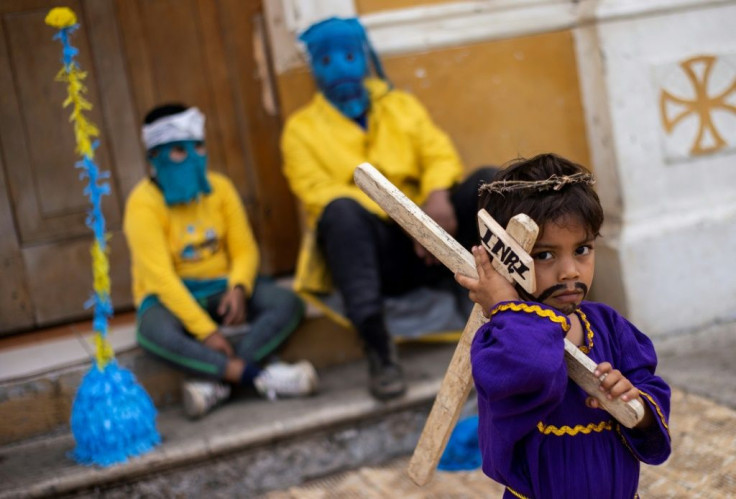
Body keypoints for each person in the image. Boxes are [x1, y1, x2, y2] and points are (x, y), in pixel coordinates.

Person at [281, 16, 495, 400]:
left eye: (348, 55)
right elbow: (317, 191)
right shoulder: (301, 129)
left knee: (490, 182)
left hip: (437, 234)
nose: (340, 68)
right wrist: (407, 220)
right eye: (327, 61)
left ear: (363, 57)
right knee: (340, 213)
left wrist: (435, 197)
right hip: (381, 253)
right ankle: (379, 351)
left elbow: (439, 154)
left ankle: (519, 315)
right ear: (315, 68)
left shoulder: (400, 105)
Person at [456, 153, 671, 498]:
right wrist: (507, 309)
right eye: (545, 255)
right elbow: (534, 369)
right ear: (505, 261)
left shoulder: (609, 326)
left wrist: (635, 403)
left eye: (582, 249)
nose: (570, 271)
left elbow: (651, 389)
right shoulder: (498, 339)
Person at [123, 103, 318, 419]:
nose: (194, 157)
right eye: (178, 151)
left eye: (199, 146)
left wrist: (239, 287)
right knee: (152, 333)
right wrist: (206, 333)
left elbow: (245, 250)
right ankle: (256, 376)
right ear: (154, 158)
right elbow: (160, 278)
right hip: (169, 298)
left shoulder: (221, 189)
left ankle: (216, 383)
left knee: (288, 303)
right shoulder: (142, 204)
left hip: (221, 287)